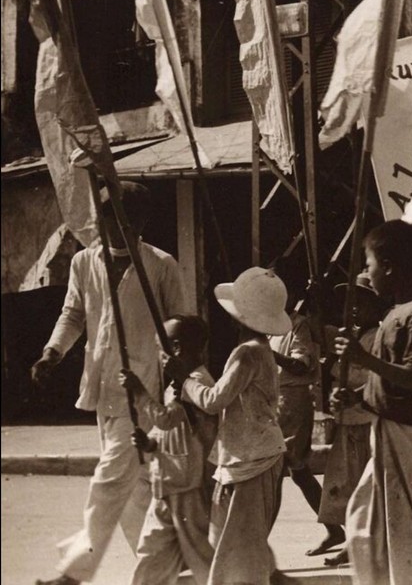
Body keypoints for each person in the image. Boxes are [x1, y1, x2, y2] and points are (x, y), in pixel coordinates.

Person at [33, 182, 190, 585]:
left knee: (107, 483)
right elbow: (73, 315)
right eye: (103, 215)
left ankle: (72, 574)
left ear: (138, 220)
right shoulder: (85, 262)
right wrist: (53, 352)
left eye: (118, 215)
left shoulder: (159, 264)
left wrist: (177, 377)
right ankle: (163, 566)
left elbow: (182, 325)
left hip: (142, 391)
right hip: (102, 388)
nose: (109, 224)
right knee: (134, 489)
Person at [333, 220, 412, 585]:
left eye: (368, 263)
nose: (366, 273)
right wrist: (355, 395)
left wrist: (364, 359)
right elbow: (388, 381)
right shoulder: (394, 314)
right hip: (392, 431)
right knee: (365, 522)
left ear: (388, 266)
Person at [166, 267, 290, 585]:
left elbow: (212, 400)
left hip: (252, 458)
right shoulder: (261, 351)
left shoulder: (247, 355)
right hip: (249, 454)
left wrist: (184, 378)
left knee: (237, 549)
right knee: (237, 544)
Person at [118, 315, 217, 585]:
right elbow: (167, 430)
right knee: (151, 550)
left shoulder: (194, 382)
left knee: (201, 554)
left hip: (188, 484)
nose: (160, 356)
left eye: (162, 349)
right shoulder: (179, 382)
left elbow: (166, 419)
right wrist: (150, 443)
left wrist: (138, 391)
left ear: (176, 349)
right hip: (168, 481)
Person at [308, 274, 385, 566]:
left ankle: (357, 542)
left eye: (363, 303)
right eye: (352, 303)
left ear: (376, 308)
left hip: (365, 418)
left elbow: (376, 379)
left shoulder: (376, 336)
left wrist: (354, 394)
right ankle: (344, 535)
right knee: (342, 482)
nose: (354, 309)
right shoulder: (347, 333)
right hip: (346, 419)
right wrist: (316, 302)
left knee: (362, 485)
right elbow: (318, 332)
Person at [270, 309, 323, 518]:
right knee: (298, 472)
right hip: (279, 402)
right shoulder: (273, 326)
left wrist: (272, 356)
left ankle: (261, 538)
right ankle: (334, 528)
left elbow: (301, 365)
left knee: (277, 468)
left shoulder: (298, 324)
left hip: (293, 401)